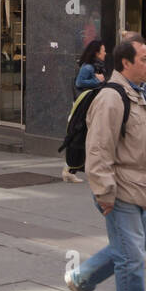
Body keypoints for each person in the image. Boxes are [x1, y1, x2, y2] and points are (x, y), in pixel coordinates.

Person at [64, 38, 146, 291]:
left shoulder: (141, 94)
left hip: (141, 188)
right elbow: (98, 150)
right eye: (144, 59)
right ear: (126, 63)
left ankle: (80, 280)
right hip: (120, 189)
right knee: (132, 257)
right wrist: (104, 193)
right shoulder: (111, 98)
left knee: (131, 248)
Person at [63, 39, 109, 183]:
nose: (105, 53)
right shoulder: (88, 67)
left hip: (91, 105)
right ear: (97, 53)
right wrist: (98, 81)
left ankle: (71, 170)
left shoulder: (96, 66)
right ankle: (70, 169)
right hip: (84, 108)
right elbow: (79, 83)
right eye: (103, 51)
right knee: (84, 138)